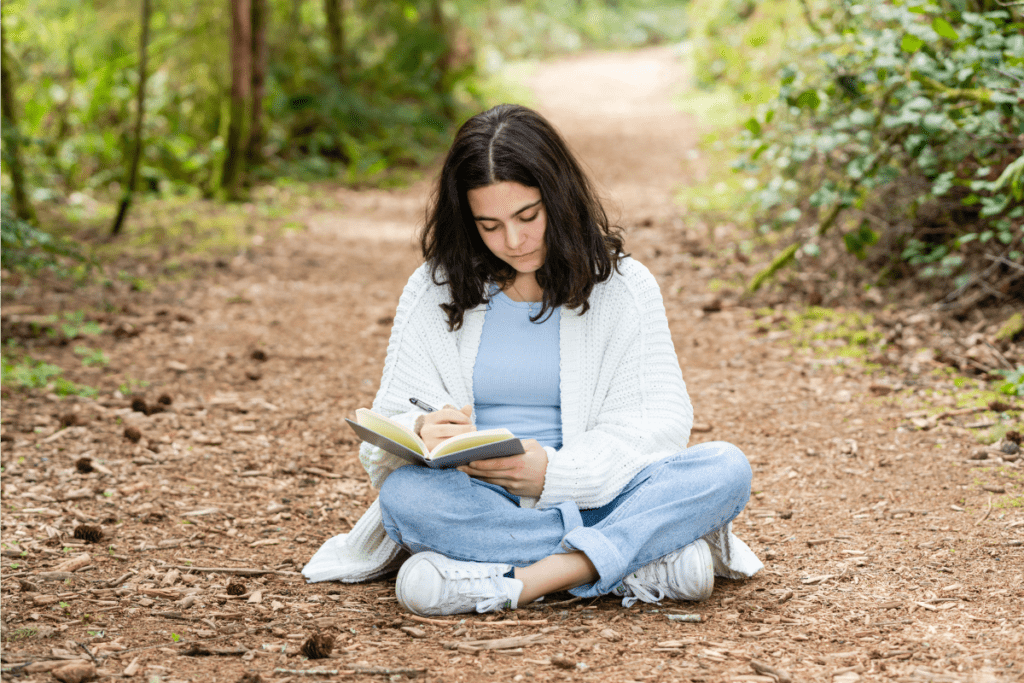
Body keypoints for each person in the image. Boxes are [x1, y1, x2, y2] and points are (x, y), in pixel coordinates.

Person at [302, 104, 762, 615]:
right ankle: (635, 559)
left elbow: (657, 425)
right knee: (406, 498)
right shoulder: (433, 289)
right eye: (489, 225)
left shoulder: (624, 287)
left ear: (559, 199)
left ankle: (521, 577)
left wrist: (553, 475)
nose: (514, 241)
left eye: (527, 216)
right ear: (466, 220)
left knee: (725, 467)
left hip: (599, 493)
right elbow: (392, 418)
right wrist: (422, 427)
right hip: (479, 500)